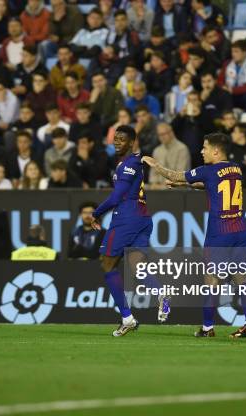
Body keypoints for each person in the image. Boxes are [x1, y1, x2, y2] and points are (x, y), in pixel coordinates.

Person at [143, 132, 246, 339]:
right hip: (241, 230)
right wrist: (186, 185)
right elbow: (211, 185)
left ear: (215, 150)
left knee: (211, 280)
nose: (201, 151)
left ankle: (207, 328)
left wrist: (156, 166)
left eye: (205, 147)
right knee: (241, 277)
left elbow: (175, 175)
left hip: (220, 233)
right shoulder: (236, 169)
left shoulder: (208, 170)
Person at [83, 125, 152, 336]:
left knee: (107, 263)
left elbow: (116, 197)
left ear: (132, 142)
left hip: (126, 217)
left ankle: (127, 317)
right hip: (143, 217)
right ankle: (161, 292)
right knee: (137, 265)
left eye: (122, 139)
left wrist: (96, 213)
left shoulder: (128, 164)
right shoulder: (132, 161)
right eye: (115, 138)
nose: (116, 142)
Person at [218, 40, 246, 112]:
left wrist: (233, 90)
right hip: (230, 95)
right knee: (222, 95)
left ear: (245, 53)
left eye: (236, 51)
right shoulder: (227, 64)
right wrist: (224, 87)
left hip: (245, 95)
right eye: (232, 52)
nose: (233, 54)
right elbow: (220, 81)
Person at [148, 123, 190, 189]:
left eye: (164, 134)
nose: (162, 137)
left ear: (171, 133)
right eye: (160, 135)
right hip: (158, 189)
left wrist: (164, 187)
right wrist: (154, 184)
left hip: (178, 189)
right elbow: (153, 174)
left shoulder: (182, 149)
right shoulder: (156, 151)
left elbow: (181, 175)